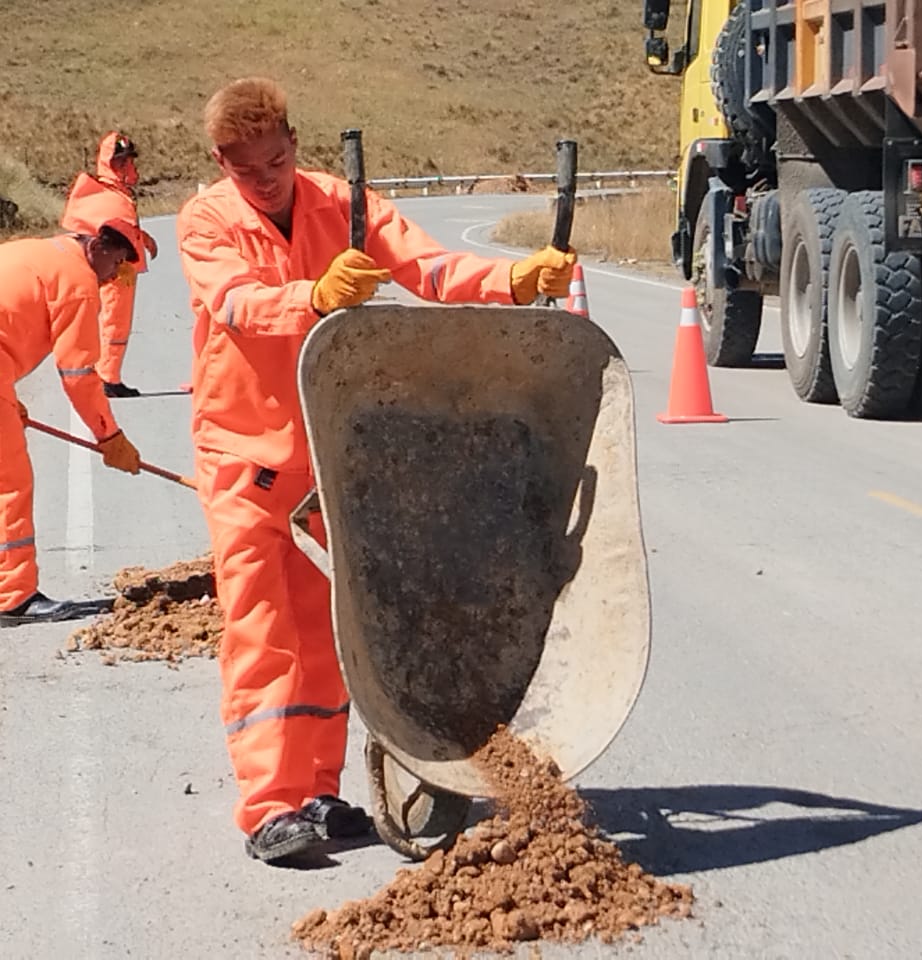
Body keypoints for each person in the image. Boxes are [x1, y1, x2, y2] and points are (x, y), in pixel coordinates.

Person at [175, 76, 579, 866]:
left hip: (333, 455)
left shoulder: (341, 202)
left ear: (296, 139)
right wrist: (312, 296)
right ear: (223, 163)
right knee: (263, 631)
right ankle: (268, 805)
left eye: (280, 159)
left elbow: (427, 268)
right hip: (245, 459)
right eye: (251, 170)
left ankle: (320, 792)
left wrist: (512, 280)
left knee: (335, 632)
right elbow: (234, 303)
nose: (270, 179)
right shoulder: (206, 220)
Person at [0, 205, 146, 626]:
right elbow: (79, 375)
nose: (112, 276)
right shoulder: (79, 282)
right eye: (115, 262)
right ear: (98, 246)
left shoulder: (44, 251)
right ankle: (13, 596)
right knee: (10, 482)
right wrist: (109, 437)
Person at [60, 131, 160, 398]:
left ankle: (106, 374)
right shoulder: (106, 194)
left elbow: (123, 229)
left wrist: (143, 239)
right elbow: (112, 232)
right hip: (118, 272)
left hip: (120, 268)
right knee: (114, 321)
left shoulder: (113, 191)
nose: (127, 166)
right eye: (121, 161)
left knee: (113, 320)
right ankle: (108, 377)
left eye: (127, 160)